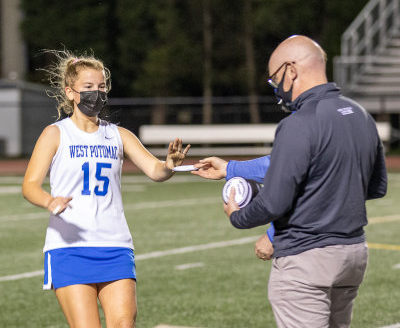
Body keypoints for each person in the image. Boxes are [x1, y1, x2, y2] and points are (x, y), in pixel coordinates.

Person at [193, 35, 387, 328]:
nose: (276, 88)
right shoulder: (360, 114)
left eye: (275, 79)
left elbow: (274, 202)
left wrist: (237, 216)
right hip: (353, 255)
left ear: (291, 70)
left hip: (306, 258)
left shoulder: (298, 123)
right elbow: (376, 187)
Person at [22, 50, 190, 328]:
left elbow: (155, 171)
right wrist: (50, 201)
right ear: (71, 92)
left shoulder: (119, 135)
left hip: (115, 245)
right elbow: (29, 185)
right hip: (69, 247)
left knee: (124, 323)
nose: (96, 93)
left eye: (101, 87)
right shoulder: (56, 133)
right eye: (88, 88)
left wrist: (169, 164)